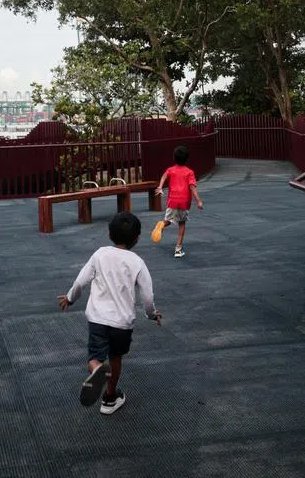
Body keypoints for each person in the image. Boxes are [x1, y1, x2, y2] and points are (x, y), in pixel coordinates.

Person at [58, 211, 161, 415]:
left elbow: (80, 281)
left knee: (95, 356)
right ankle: (110, 398)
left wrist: (70, 298)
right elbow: (147, 296)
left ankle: (96, 368)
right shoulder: (137, 262)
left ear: (109, 234)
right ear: (137, 238)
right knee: (115, 358)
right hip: (122, 323)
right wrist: (152, 314)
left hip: (98, 319)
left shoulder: (100, 254)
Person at [152, 144, 204, 258]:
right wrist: (198, 201)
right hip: (184, 202)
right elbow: (192, 187)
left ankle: (162, 224)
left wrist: (160, 187)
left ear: (174, 158)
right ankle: (178, 249)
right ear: (187, 159)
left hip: (172, 200)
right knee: (182, 223)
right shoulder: (189, 172)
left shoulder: (170, 170)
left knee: (169, 220)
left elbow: (164, 176)